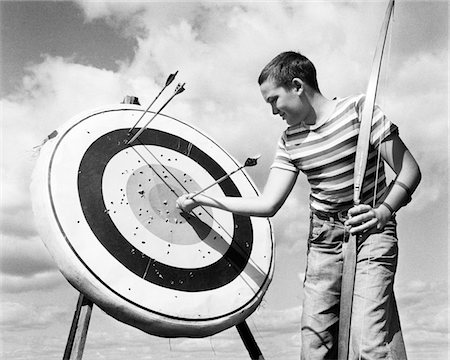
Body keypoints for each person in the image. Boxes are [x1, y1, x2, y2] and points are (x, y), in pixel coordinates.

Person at [177, 51, 421, 360]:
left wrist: (381, 213)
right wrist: (204, 199)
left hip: (371, 233)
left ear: (296, 86)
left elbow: (410, 170)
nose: (273, 111)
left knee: (369, 344)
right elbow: (268, 203)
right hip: (324, 239)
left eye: (273, 100)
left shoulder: (360, 111)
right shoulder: (289, 140)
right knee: (315, 346)